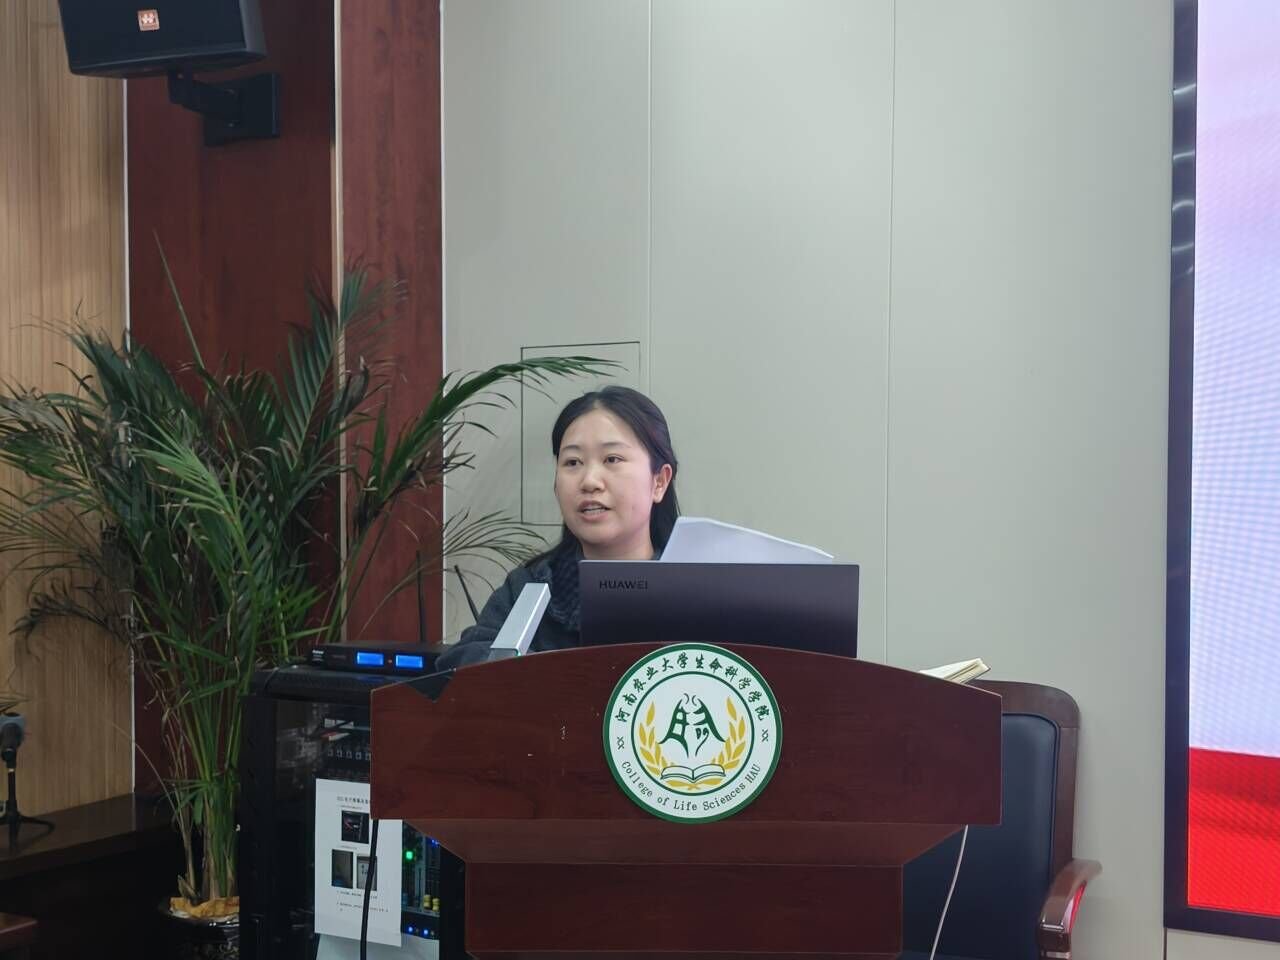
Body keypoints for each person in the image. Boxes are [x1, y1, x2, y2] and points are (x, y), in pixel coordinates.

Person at [437, 386, 678, 669]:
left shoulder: (695, 592)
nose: (590, 481)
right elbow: (463, 661)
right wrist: (548, 674)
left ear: (659, 481)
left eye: (612, 459)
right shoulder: (533, 586)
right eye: (572, 462)